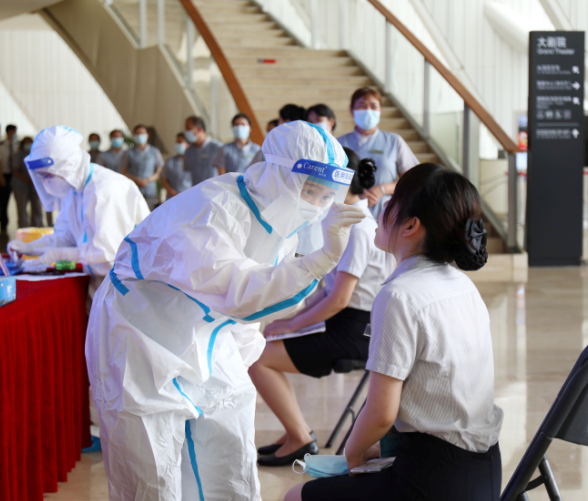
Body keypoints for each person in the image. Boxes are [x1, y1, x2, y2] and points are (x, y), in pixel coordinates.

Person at [86, 121, 365, 501]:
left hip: (208, 336)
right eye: (309, 189)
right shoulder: (214, 208)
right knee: (150, 466)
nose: (314, 204)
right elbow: (238, 289)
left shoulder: (280, 218)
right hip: (141, 337)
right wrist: (321, 262)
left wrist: (245, 347)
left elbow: (264, 297)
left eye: (323, 195)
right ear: (276, 173)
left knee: (230, 450)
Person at [285, 164, 501, 501]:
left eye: (394, 199)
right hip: (482, 471)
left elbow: (381, 412)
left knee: (296, 496)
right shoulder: (462, 284)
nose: (382, 205)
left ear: (411, 225)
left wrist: (352, 456)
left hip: (435, 479)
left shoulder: (399, 294)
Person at [251, 148, 394, 466]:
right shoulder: (349, 220)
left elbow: (340, 299)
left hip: (355, 330)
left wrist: (290, 325)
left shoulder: (357, 227)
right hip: (348, 322)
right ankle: (295, 432)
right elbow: (328, 290)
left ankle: (300, 436)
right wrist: (294, 317)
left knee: (257, 359)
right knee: (264, 345)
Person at [6, 126, 150, 304]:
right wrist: (31, 247)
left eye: (47, 175)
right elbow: (65, 236)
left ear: (66, 166)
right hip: (103, 284)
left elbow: (106, 252)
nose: (44, 182)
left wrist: (60, 255)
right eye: (40, 176)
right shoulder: (73, 189)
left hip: (130, 289)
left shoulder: (104, 189)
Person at [337, 87, 419, 218]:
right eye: (362, 106)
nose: (368, 111)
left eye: (373, 106)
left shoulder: (394, 141)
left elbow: (414, 179)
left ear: (380, 110)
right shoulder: (338, 144)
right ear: (352, 110)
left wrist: (384, 189)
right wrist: (354, 195)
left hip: (386, 215)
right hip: (345, 214)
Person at [120, 124, 164, 210]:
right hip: (133, 189)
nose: (140, 136)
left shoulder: (154, 151)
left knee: (148, 214)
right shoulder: (128, 152)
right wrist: (136, 180)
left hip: (149, 190)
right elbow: (124, 171)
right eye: (137, 134)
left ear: (147, 135)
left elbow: (159, 171)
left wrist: (147, 180)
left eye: (142, 133)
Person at [11, 136, 44, 228]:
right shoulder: (18, 155)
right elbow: (16, 171)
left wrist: (35, 180)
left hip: (35, 186)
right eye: (26, 143)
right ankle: (23, 228)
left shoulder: (37, 155)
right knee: (22, 209)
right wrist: (28, 179)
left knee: (37, 208)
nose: (28, 145)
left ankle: (38, 227)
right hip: (21, 185)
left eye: (30, 143)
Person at [183, 115, 223, 186]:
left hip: (215, 192)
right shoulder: (188, 151)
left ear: (199, 129)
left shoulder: (218, 147)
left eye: (188, 129)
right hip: (196, 193)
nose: (186, 132)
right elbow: (187, 173)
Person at [0, 124, 18, 229]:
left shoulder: (18, 146)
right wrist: (0, 177)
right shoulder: (1, 146)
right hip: (5, 174)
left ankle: (21, 221)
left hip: (17, 175)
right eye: (13, 132)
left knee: (19, 199)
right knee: (3, 200)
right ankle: (3, 220)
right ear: (8, 132)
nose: (15, 134)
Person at [161, 132, 191, 199]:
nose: (177, 144)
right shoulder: (170, 161)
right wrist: (173, 193)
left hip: (188, 198)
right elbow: (164, 180)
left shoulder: (193, 161)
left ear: (188, 144)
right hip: (171, 198)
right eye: (176, 142)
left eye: (180, 142)